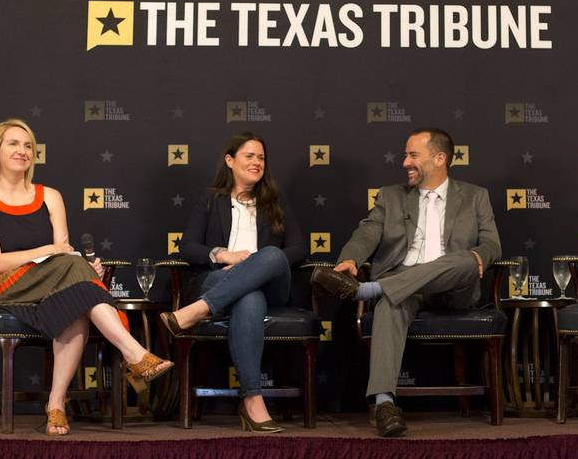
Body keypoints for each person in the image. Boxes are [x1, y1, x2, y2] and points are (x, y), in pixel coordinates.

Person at [0, 118, 171, 436]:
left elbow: (65, 254)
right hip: (7, 289)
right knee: (75, 269)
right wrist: (55, 253)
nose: (22, 151)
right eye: (13, 144)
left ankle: (56, 405)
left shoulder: (51, 197)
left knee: (77, 303)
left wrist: (86, 269)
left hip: (51, 287)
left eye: (28, 145)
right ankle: (134, 353)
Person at [311, 127, 501, 437]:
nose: (404, 162)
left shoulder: (475, 196)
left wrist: (480, 257)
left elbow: (492, 245)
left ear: (439, 158)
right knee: (391, 303)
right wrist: (351, 260)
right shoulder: (391, 196)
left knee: (467, 259)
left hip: (455, 287)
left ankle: (368, 290)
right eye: (405, 155)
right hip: (404, 285)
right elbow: (368, 232)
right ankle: (385, 404)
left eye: (413, 155)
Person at [160, 132, 304, 433]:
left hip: (271, 285)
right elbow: (187, 247)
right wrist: (224, 255)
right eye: (249, 156)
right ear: (230, 160)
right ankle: (252, 400)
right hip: (220, 278)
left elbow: (299, 249)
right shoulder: (211, 199)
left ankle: (196, 310)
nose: (257, 162)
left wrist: (257, 262)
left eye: (261, 158)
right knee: (248, 297)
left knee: (272, 255)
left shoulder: (275, 202)